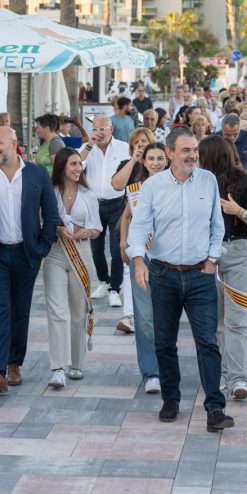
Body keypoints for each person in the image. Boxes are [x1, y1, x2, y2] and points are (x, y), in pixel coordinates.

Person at [127, 127, 235, 432]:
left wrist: (213, 259)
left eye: (195, 150)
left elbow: (217, 225)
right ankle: (171, 399)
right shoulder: (153, 186)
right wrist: (138, 260)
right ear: (171, 153)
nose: (192, 156)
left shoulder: (208, 180)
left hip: (200, 274)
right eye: (186, 150)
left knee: (208, 343)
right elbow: (139, 227)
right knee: (164, 342)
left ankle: (215, 407)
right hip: (163, 273)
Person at [0, 126, 60, 393]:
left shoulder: (36, 173)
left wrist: (40, 247)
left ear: (14, 143)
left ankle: (15, 362)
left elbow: (51, 214)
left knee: (20, 313)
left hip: (27, 255)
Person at [198, 136, 247, 400]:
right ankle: (224, 375)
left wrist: (238, 211)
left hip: (239, 252)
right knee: (216, 321)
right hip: (208, 256)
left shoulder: (246, 182)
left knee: (237, 318)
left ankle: (240, 378)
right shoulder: (199, 182)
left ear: (213, 156)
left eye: (201, 154)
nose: (196, 159)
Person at [44, 148, 102, 389]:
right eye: (73, 164)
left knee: (79, 310)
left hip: (81, 251)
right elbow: (42, 220)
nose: (78, 168)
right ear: (62, 168)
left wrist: (89, 232)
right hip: (55, 253)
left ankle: (77, 363)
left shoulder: (89, 194)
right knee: (57, 310)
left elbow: (98, 228)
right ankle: (58, 367)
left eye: (80, 164)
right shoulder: (50, 192)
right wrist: (57, 229)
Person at [118, 142, 169, 394]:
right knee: (145, 318)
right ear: (144, 162)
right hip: (144, 259)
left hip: (170, 260)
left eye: (161, 158)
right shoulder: (137, 189)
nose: (156, 163)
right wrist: (122, 243)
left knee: (165, 319)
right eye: (152, 158)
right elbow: (126, 216)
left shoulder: (175, 187)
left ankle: (167, 366)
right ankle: (151, 372)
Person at [79, 115, 131, 306]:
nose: (99, 133)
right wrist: (89, 145)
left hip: (118, 203)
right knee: (96, 248)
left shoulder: (124, 148)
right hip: (94, 204)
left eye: (103, 129)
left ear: (111, 129)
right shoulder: (88, 148)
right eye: (95, 129)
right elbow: (77, 162)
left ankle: (115, 288)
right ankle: (103, 280)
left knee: (117, 248)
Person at [109, 127, 157, 332]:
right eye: (137, 142)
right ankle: (129, 315)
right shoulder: (126, 165)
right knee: (130, 269)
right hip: (131, 224)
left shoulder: (159, 165)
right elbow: (117, 185)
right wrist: (133, 161)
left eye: (144, 141)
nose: (141, 145)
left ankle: (150, 313)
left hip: (157, 230)